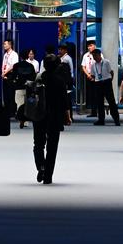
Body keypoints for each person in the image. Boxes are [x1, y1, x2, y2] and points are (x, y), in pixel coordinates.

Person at [32, 54, 72, 185]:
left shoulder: (39, 78)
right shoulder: (60, 81)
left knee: (38, 143)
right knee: (52, 146)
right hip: (55, 115)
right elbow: (64, 101)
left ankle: (41, 166)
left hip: (39, 115)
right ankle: (48, 176)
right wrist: (67, 116)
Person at [91, 49, 120, 126]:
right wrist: (95, 79)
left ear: (99, 55)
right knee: (99, 102)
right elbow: (93, 75)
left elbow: (111, 72)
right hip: (98, 83)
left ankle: (116, 119)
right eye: (93, 56)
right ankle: (101, 120)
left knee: (111, 102)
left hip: (106, 82)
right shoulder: (93, 65)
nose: (94, 57)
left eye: (95, 55)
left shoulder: (106, 62)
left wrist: (110, 80)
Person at [11, 49, 37, 128]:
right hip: (28, 87)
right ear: (27, 56)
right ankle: (26, 121)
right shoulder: (31, 66)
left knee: (19, 104)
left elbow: (13, 76)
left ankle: (21, 120)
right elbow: (33, 77)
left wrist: (14, 82)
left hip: (19, 87)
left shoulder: (16, 65)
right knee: (28, 105)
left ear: (20, 57)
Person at [0, 39, 19, 118]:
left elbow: (13, 66)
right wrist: (3, 73)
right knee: (6, 94)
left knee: (11, 94)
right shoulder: (5, 54)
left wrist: (5, 72)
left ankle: (12, 112)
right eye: (3, 44)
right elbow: (3, 64)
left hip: (11, 75)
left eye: (5, 44)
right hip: (5, 75)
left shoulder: (14, 54)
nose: (4, 45)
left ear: (10, 45)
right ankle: (6, 111)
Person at [81, 41, 98, 117]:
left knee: (97, 95)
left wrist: (94, 75)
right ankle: (93, 112)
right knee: (91, 95)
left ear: (94, 46)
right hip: (89, 77)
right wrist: (88, 75)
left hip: (97, 77)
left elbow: (100, 65)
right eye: (88, 46)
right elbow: (83, 66)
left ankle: (98, 111)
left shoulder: (99, 54)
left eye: (90, 45)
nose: (89, 47)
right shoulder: (85, 55)